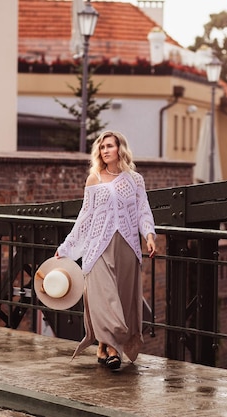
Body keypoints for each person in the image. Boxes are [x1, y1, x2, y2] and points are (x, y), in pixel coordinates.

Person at [56, 130, 156, 370]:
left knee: (121, 298)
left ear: (120, 148)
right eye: (102, 147)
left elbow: (143, 210)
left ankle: (103, 347)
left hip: (127, 245)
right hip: (97, 246)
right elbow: (85, 217)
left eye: (110, 146)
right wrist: (67, 247)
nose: (106, 150)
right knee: (104, 296)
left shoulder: (135, 179)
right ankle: (113, 348)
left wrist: (149, 236)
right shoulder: (94, 179)